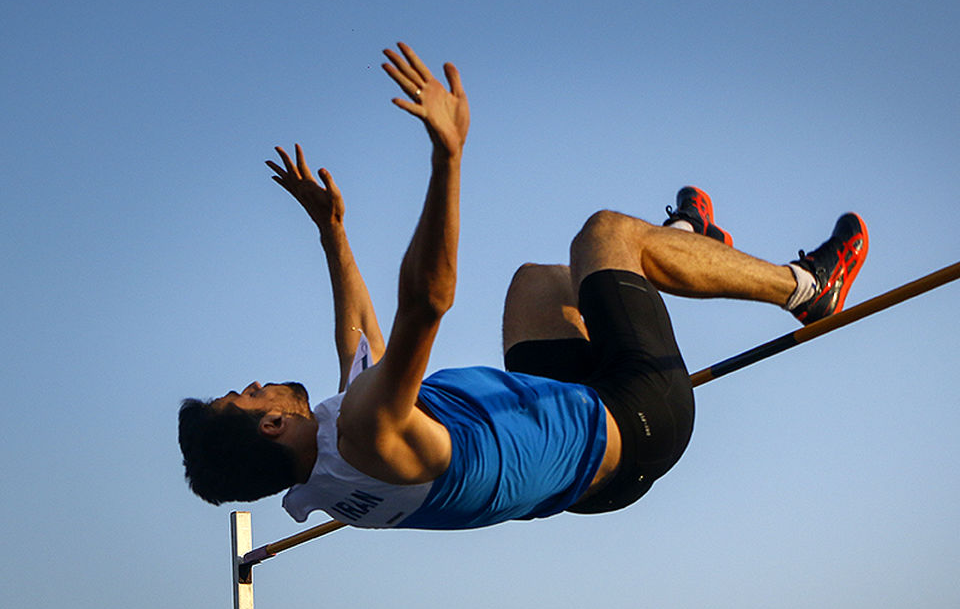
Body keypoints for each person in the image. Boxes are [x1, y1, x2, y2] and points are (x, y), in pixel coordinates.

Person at [178, 41, 868, 528]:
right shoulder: (362, 426)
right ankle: (810, 286)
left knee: (537, 284)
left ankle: (687, 244)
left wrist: (333, 233)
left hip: (584, 463)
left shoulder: (328, 478)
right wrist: (447, 157)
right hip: (636, 422)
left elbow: (361, 342)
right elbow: (426, 302)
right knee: (607, 237)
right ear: (270, 423)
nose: (257, 383)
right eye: (246, 394)